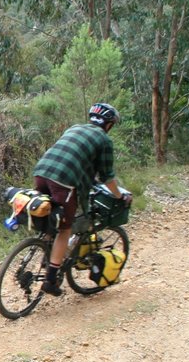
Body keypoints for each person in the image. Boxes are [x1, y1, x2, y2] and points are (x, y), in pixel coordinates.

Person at [32, 102, 132, 296]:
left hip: (41, 172)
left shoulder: (75, 128)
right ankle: (51, 279)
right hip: (63, 181)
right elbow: (107, 177)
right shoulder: (103, 140)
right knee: (65, 229)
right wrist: (120, 196)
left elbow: (76, 160)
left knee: (51, 217)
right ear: (109, 124)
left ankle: (46, 252)